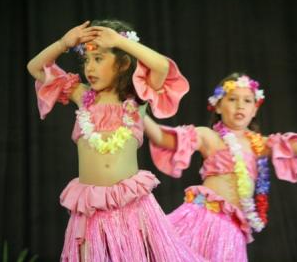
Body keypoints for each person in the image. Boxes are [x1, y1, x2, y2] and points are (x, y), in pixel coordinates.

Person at [144, 72, 297, 262]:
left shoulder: (259, 145)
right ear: (217, 106)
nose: (240, 106)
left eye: (247, 101)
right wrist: (139, 113)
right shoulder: (209, 136)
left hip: (233, 230)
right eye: (232, 99)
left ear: (255, 109)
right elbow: (163, 139)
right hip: (203, 217)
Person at [27, 19, 205, 262]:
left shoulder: (136, 99)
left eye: (99, 59)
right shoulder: (82, 95)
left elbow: (161, 67)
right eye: (87, 59)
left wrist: (120, 41)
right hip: (91, 211)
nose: (89, 67)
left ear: (122, 64)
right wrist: (63, 43)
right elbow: (35, 68)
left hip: (131, 208)